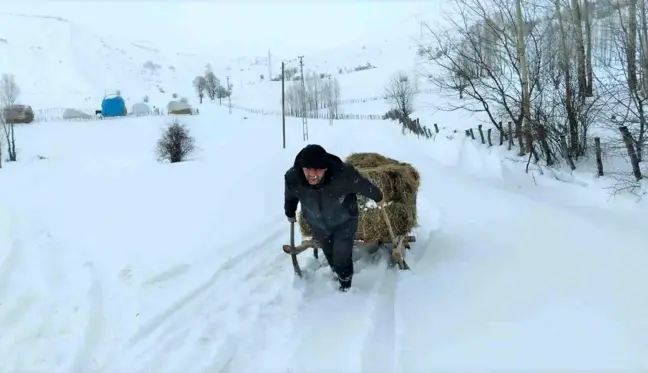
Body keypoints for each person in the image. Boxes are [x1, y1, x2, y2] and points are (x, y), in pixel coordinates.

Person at [284, 144, 384, 291]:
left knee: (341, 255)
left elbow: (362, 185)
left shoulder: (342, 174)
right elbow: (290, 196)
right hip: (316, 222)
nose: (313, 174)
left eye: (317, 170)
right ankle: (337, 272)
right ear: (302, 168)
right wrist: (290, 212)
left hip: (344, 220)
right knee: (329, 251)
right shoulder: (294, 178)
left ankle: (345, 283)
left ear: (325, 168)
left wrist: (378, 196)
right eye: (308, 170)